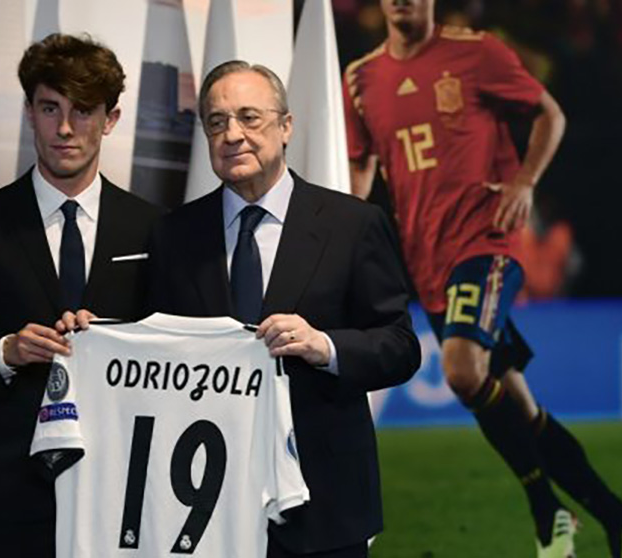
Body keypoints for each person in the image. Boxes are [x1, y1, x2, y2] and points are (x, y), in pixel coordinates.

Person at [343, 1, 622, 557]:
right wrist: (339, 229)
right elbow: (362, 163)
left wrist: (525, 182)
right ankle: (617, 514)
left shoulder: (475, 53)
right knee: (516, 406)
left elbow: (550, 115)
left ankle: (547, 515)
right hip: (425, 258)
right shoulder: (360, 78)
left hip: (485, 243)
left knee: (462, 371)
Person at [147, 60, 421, 558]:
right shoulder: (174, 235)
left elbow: (401, 347)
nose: (233, 134)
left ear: (286, 126)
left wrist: (327, 346)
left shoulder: (352, 224)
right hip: (204, 501)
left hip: (326, 502)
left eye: (249, 118)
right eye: (216, 121)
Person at [0, 33, 163, 557]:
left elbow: (172, 348)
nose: (67, 128)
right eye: (51, 108)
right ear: (29, 112)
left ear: (111, 119)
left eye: (84, 111)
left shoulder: (153, 228)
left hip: (120, 491)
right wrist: (6, 351)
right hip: (8, 495)